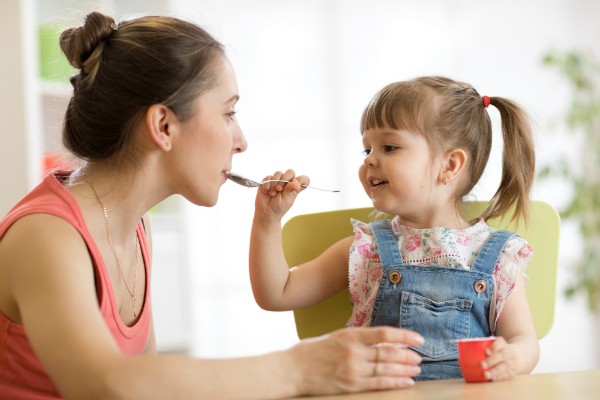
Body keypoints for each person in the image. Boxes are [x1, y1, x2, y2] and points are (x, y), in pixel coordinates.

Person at [0, 11, 425, 400]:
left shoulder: (133, 225)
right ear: (164, 126)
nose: (241, 141)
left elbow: (146, 381)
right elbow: (105, 385)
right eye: (228, 113)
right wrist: (300, 369)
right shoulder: (48, 236)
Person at [249, 76, 540, 382]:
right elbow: (277, 293)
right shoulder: (366, 248)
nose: (371, 160)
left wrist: (511, 358)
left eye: (389, 147)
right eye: (367, 150)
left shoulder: (496, 256)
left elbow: (524, 341)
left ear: (450, 165)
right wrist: (267, 220)